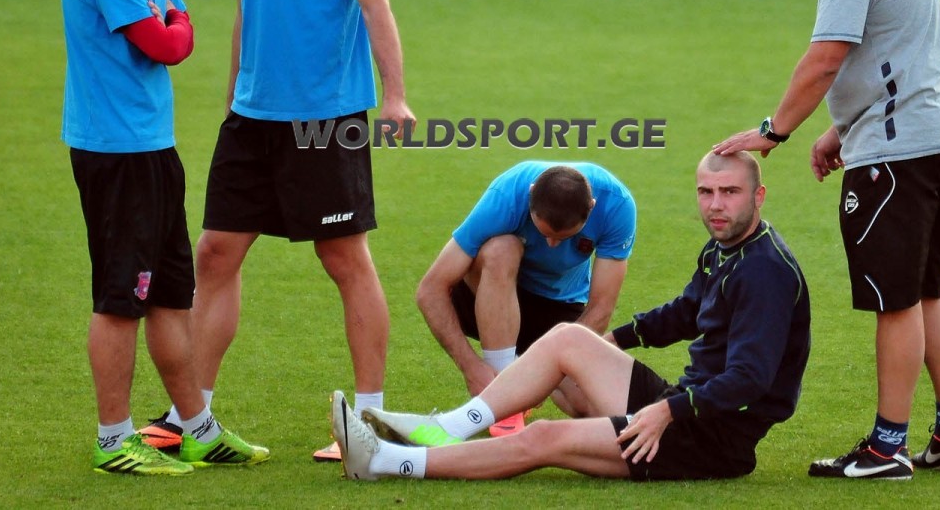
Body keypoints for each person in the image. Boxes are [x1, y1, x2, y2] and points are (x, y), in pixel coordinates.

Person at [139, 0, 415, 462]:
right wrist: (234, 94)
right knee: (214, 254)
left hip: (324, 118)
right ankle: (191, 416)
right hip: (251, 118)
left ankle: (370, 422)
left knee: (343, 258)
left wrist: (395, 97)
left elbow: (375, 5)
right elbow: (247, 8)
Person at [714, 0, 940, 480]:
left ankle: (887, 449)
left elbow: (827, 57)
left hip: (899, 149)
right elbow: (902, 47)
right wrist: (842, 128)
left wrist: (773, 131)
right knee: (926, 291)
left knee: (896, 301)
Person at [331, 151, 811, 483]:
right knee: (568, 338)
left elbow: (749, 379)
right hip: (683, 405)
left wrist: (666, 412)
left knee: (544, 437)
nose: (715, 205)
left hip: (709, 438)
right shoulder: (725, 248)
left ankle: (384, 462)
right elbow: (686, 313)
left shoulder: (764, 272)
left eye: (730, 192)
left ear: (758, 196)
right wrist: (610, 344)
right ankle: (450, 426)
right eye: (706, 191)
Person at [61, 0, 268, 475]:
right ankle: (113, 440)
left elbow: (182, 21)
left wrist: (175, 22)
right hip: (115, 153)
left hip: (152, 147)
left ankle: (196, 428)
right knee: (120, 300)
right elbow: (169, 44)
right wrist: (174, 23)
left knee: (172, 296)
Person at [415, 161, 636, 435]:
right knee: (501, 249)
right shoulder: (508, 194)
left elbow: (600, 308)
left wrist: (541, 372)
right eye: (544, 233)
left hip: (560, 307)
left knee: (589, 404)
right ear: (531, 194)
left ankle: (512, 381)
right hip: (488, 293)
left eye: (564, 238)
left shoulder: (617, 205)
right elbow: (430, 290)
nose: (551, 245)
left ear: (591, 207)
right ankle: (502, 398)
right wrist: (471, 367)